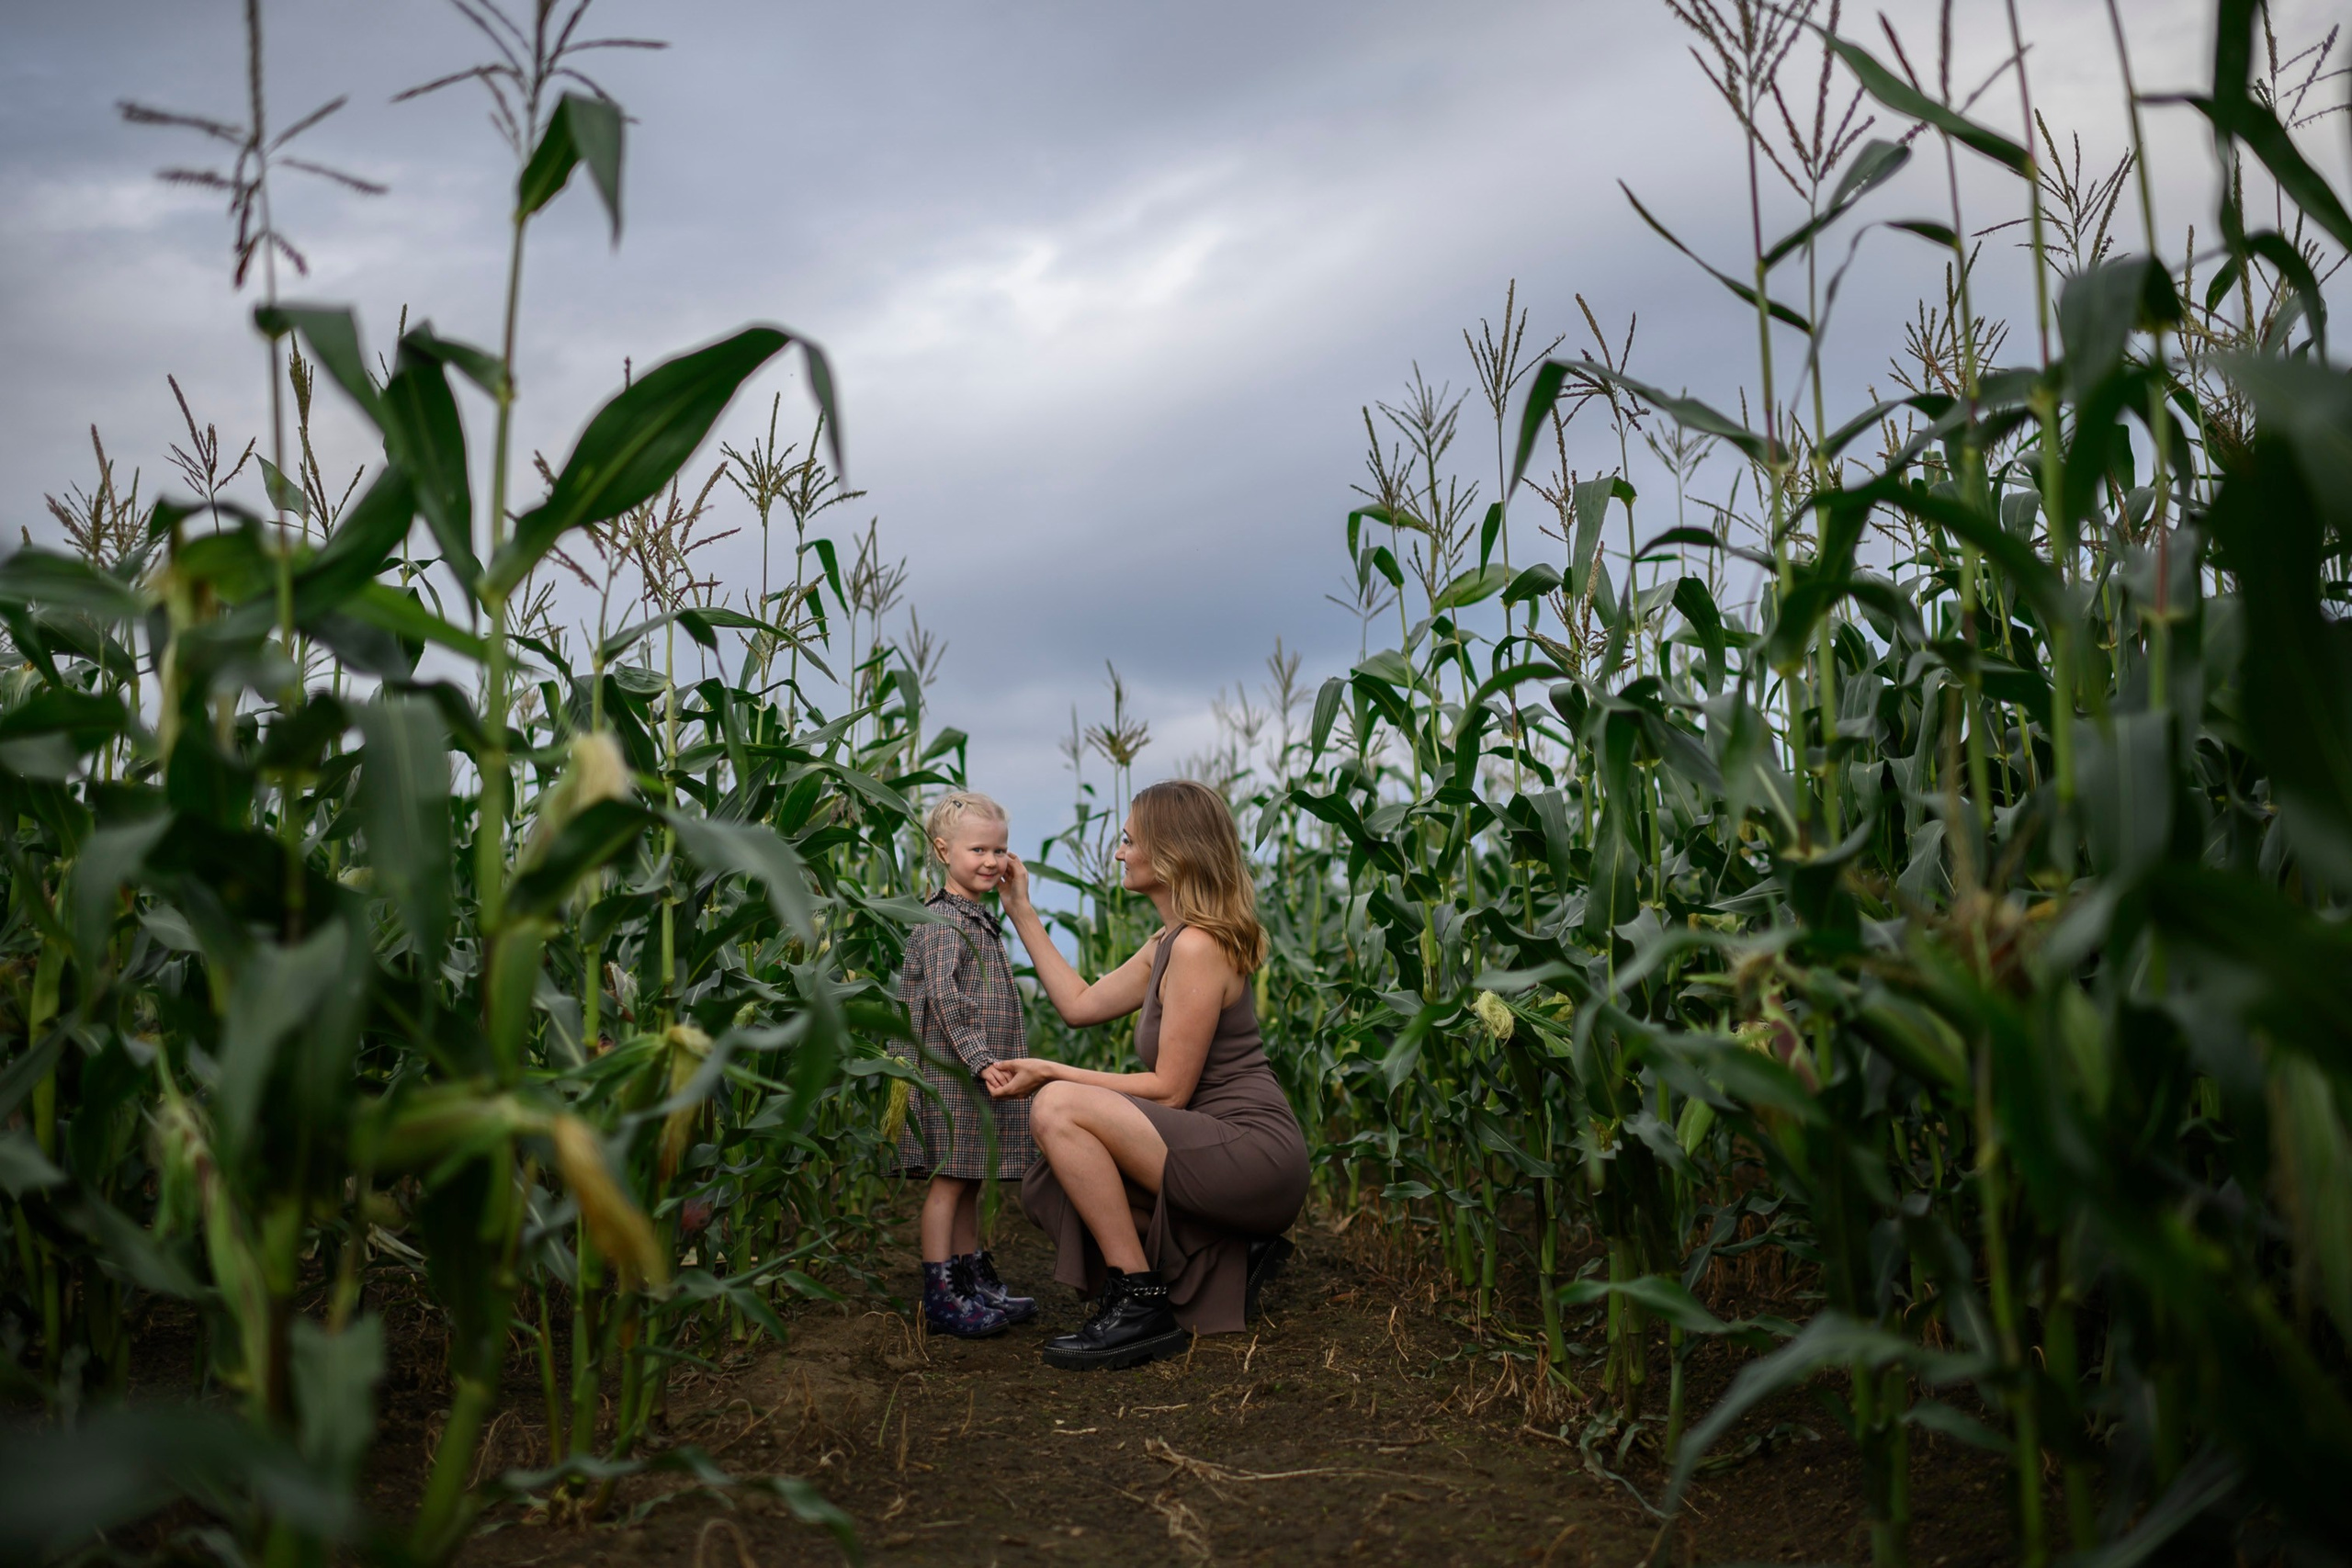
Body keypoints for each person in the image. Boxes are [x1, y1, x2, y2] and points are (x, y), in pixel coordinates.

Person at [987, 779, 1309, 1371]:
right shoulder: (1168, 942)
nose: (1118, 852)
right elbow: (1080, 1005)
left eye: (1130, 839)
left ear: (1170, 851)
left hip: (1250, 1150)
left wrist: (1050, 1073)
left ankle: (1140, 1302)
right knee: (1055, 1176)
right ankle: (1228, 1251)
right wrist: (1021, 912)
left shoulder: (1198, 947)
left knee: (1057, 1107)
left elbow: (1170, 1090)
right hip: (1207, 1145)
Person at [888, 791, 1038, 1338]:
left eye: (1000, 850)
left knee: (973, 1176)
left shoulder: (976, 918)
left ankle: (972, 1278)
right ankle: (942, 1292)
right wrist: (979, 1060)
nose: (992, 861)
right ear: (942, 849)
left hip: (975, 1071)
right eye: (978, 849)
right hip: (948, 1072)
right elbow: (946, 1002)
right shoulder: (939, 922)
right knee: (950, 1180)